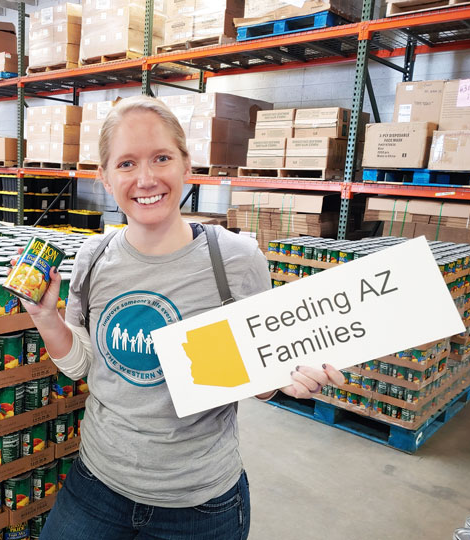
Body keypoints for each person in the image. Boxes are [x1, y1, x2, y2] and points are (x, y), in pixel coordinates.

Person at [18, 95, 344, 540]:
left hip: (198, 504)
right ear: (105, 177)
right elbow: (87, 366)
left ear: (186, 164)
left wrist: (286, 377)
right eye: (127, 163)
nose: (146, 178)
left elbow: (259, 376)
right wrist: (45, 317)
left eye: (162, 158)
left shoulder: (233, 259)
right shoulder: (94, 257)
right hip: (97, 484)